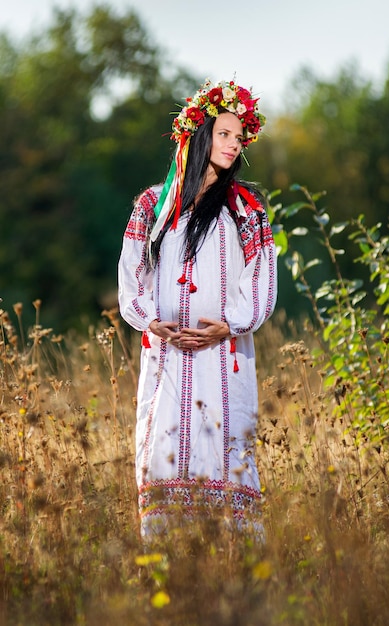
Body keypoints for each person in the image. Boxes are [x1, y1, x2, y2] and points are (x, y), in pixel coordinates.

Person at [118, 79, 277, 539]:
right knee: (163, 452)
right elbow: (132, 274)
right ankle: (167, 580)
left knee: (226, 455)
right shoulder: (155, 204)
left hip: (223, 360)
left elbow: (262, 284)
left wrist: (228, 325)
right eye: (223, 134)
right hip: (167, 360)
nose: (233, 145)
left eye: (238, 137)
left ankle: (238, 580)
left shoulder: (246, 209)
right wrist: (151, 321)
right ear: (200, 134)